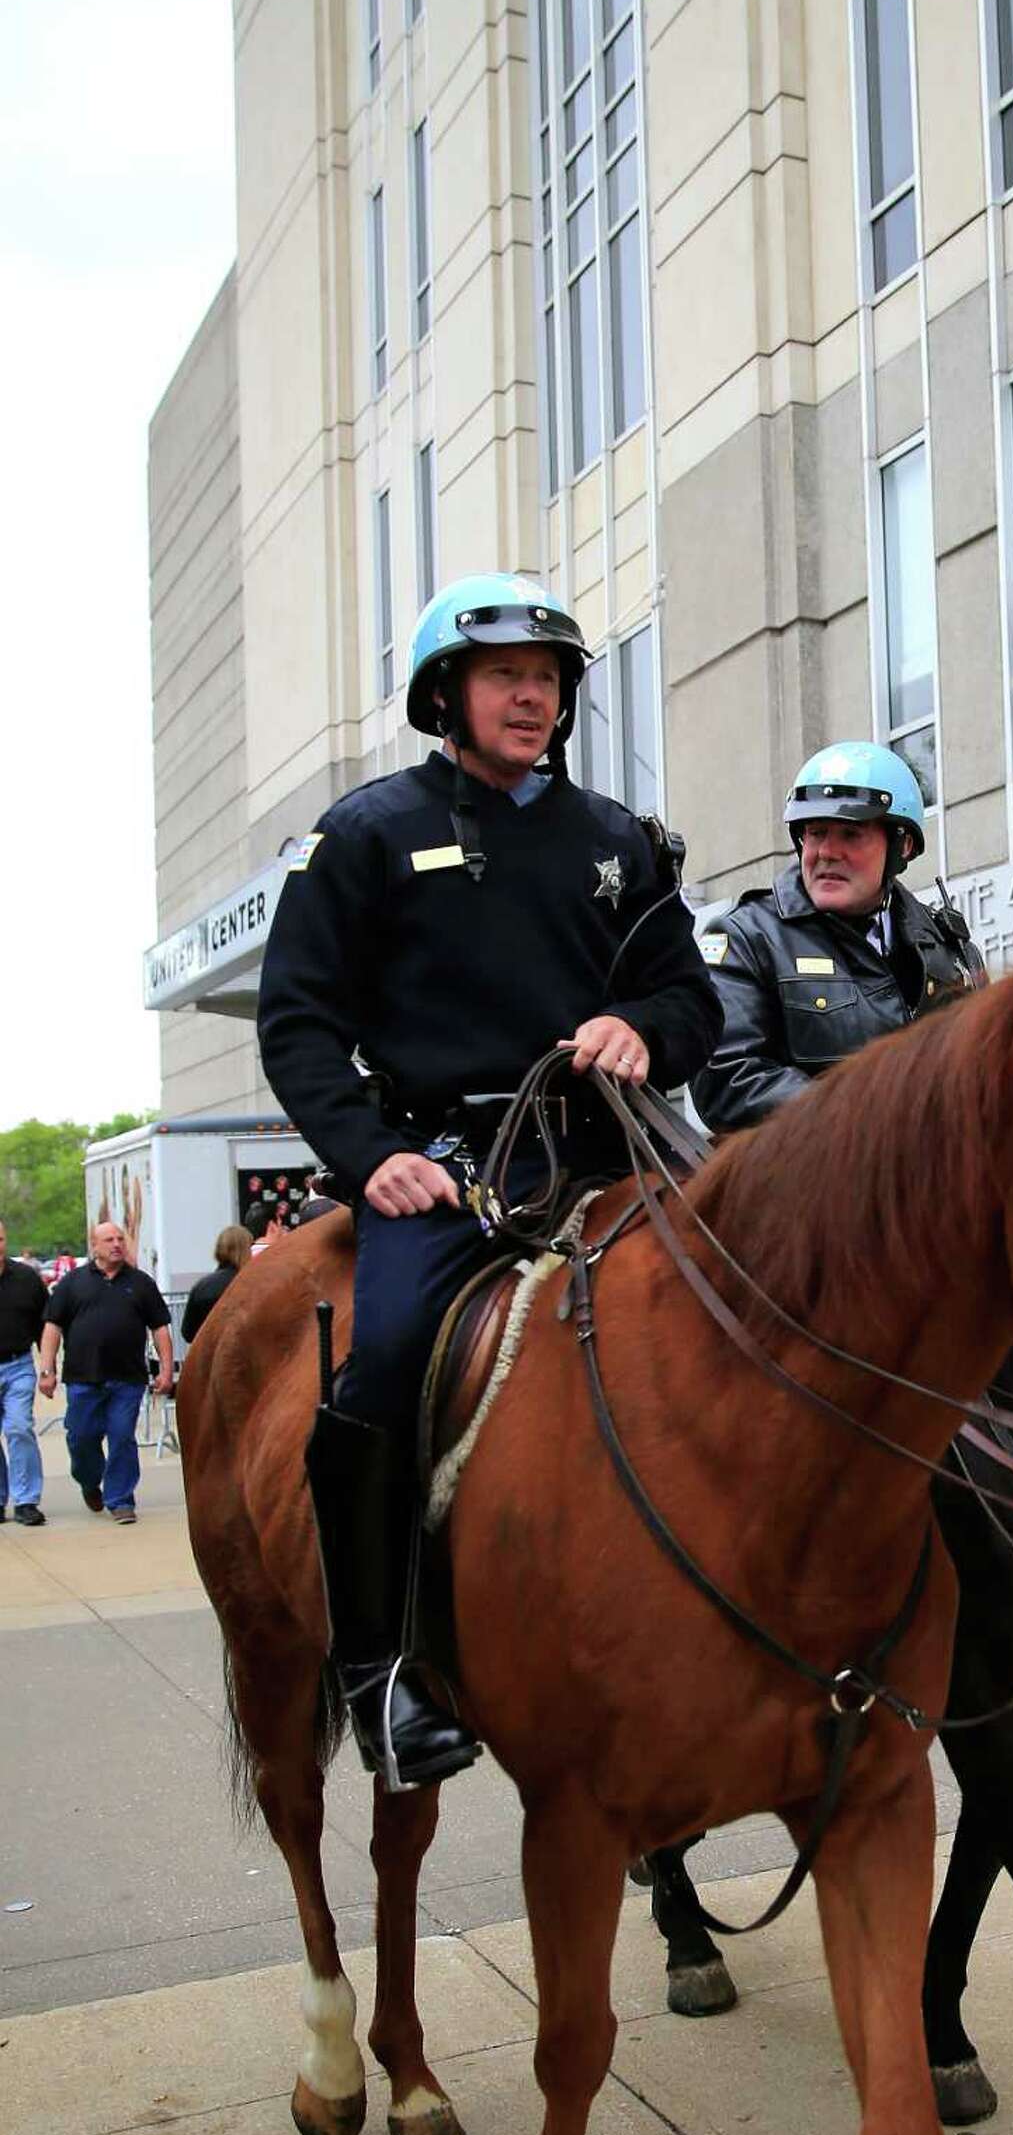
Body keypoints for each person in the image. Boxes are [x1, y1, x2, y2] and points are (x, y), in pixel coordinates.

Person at [256, 569, 722, 1791]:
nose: (534, 697)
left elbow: (692, 1000)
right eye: (507, 676)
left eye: (551, 678)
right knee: (390, 1356)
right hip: (451, 1170)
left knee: (763, 1295)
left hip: (615, 1149)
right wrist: (374, 1159)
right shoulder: (361, 836)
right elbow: (298, 1022)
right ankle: (382, 1669)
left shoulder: (619, 841)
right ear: (445, 693)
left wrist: (643, 1027)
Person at [691, 742, 981, 1133]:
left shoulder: (950, 950)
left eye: (850, 833)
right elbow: (729, 1080)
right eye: (816, 833)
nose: (827, 852)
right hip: (806, 1184)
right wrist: (864, 1115)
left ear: (903, 846)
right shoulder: (746, 938)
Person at [37, 1222, 175, 1525]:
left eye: (119, 1239)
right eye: (108, 1240)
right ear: (94, 1246)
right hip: (83, 1378)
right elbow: (52, 1328)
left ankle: (121, 1499)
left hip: (127, 1379)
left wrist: (166, 1369)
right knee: (81, 1438)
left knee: (122, 1437)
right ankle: (89, 1480)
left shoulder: (140, 1283)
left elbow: (160, 1328)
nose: (116, 1244)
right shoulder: (72, 1283)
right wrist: (47, 1370)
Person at [0, 1219, 49, 1527]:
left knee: (19, 1427)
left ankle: (27, 1500)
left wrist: (47, 1368)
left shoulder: (27, 1279)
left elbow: (47, 1325)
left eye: (0, 1239)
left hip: (19, 1365)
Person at [181, 1224, 252, 1345]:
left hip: (209, 1357)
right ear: (244, 1251)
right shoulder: (250, 1285)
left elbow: (188, 1333)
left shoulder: (201, 1287)